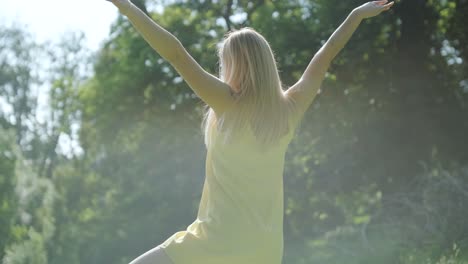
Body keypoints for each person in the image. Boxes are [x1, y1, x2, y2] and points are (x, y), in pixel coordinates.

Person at [105, 1, 394, 263]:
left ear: (236, 66)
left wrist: (126, 6)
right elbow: (327, 53)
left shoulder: (227, 105)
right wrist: (356, 15)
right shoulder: (289, 109)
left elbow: (176, 54)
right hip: (265, 250)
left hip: (216, 241)